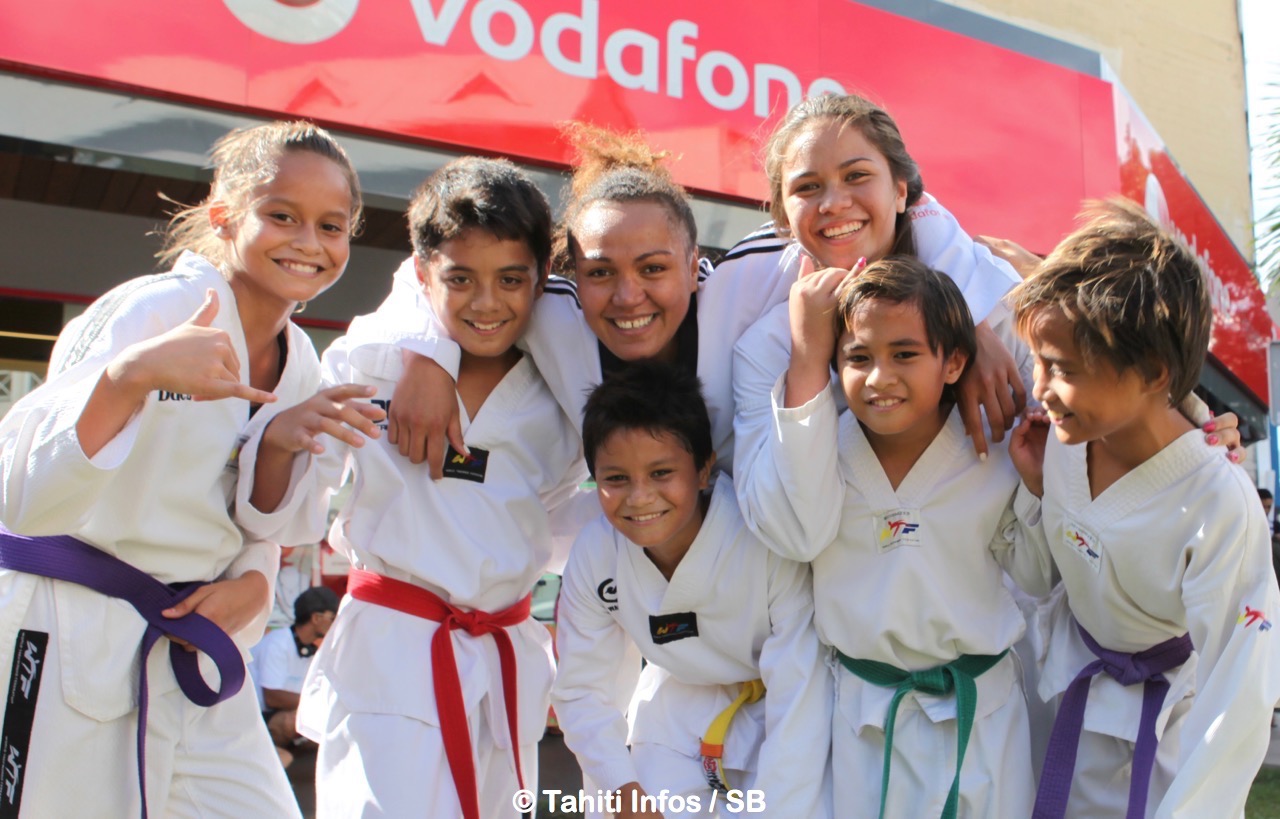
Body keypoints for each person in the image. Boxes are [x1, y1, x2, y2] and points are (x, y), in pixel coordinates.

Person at [0, 120, 361, 818]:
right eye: (281, 216)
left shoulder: (302, 363)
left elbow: (258, 523)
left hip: (186, 641)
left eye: (332, 225)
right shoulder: (155, 309)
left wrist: (256, 581)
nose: (309, 242)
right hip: (64, 623)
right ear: (224, 215)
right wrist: (128, 378)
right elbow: (19, 493)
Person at [237, 156, 591, 819]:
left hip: (506, 658)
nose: (488, 303)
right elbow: (291, 507)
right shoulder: (371, 359)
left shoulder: (560, 389)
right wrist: (424, 352)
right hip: (393, 648)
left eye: (512, 280)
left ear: (542, 278)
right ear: (426, 276)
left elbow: (546, 524)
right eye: (460, 280)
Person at [373, 120, 1024, 477]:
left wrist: (969, 318)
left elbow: (898, 218)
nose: (629, 296)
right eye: (601, 272)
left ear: (694, 265)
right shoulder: (553, 312)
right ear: (573, 272)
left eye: (654, 267)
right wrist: (426, 355)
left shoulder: (748, 282)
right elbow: (434, 268)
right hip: (637, 577)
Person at [743, 255, 1049, 817]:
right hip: (864, 719)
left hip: (981, 716)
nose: (880, 377)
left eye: (904, 354)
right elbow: (800, 532)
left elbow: (1036, 574)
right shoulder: (819, 451)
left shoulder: (996, 452)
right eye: (858, 357)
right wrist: (806, 355)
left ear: (954, 361)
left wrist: (1036, 487)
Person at [1006, 199, 1280, 819]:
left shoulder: (1218, 500)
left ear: (1154, 372)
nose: (1041, 387)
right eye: (1038, 362)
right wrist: (1037, 493)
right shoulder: (1062, 440)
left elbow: (1237, 686)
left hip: (1162, 735)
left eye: (1062, 369)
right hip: (1056, 695)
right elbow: (1043, 572)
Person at [552, 362, 831, 819]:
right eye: (616, 478)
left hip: (783, 717)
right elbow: (582, 691)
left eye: (661, 473)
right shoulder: (597, 554)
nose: (639, 497)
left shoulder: (763, 538)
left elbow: (801, 693)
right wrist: (623, 791)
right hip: (674, 713)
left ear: (704, 470)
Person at [250, 585, 339, 764]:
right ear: (316, 618)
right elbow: (272, 697)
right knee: (296, 720)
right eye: (333, 618)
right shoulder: (278, 643)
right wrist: (321, 704)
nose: (336, 624)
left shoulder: (310, 651)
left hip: (280, 713)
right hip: (257, 717)